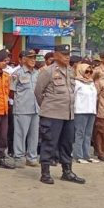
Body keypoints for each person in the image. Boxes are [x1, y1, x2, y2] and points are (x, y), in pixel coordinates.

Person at [34, 44, 85, 185]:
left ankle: (67, 171)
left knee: (67, 144)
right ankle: (45, 173)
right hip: (52, 114)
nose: (67, 56)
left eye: (68, 54)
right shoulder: (47, 71)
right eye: (64, 54)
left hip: (68, 114)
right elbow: (38, 92)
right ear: (55, 55)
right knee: (49, 143)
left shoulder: (70, 70)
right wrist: (47, 107)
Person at [10, 49, 39, 167]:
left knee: (34, 135)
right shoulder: (17, 73)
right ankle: (18, 157)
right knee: (20, 134)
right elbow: (11, 91)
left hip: (36, 108)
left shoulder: (38, 73)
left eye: (34, 58)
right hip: (22, 108)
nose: (33, 60)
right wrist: (20, 101)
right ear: (24, 59)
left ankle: (32, 158)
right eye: (30, 57)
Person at [72, 63, 98, 163]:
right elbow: (73, 96)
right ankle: (78, 155)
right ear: (81, 71)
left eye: (90, 71)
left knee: (88, 134)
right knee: (80, 133)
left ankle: (86, 155)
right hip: (80, 111)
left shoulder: (91, 82)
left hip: (91, 111)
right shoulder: (77, 83)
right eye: (86, 71)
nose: (89, 73)